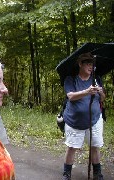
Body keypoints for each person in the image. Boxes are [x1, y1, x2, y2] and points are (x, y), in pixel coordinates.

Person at [62, 52, 106, 180]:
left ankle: (97, 173)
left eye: (92, 63)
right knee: (72, 147)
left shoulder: (96, 79)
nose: (90, 66)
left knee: (95, 146)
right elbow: (70, 96)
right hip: (74, 121)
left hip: (95, 120)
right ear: (80, 64)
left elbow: (102, 99)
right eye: (87, 63)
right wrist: (87, 91)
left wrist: (101, 91)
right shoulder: (71, 79)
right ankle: (66, 174)